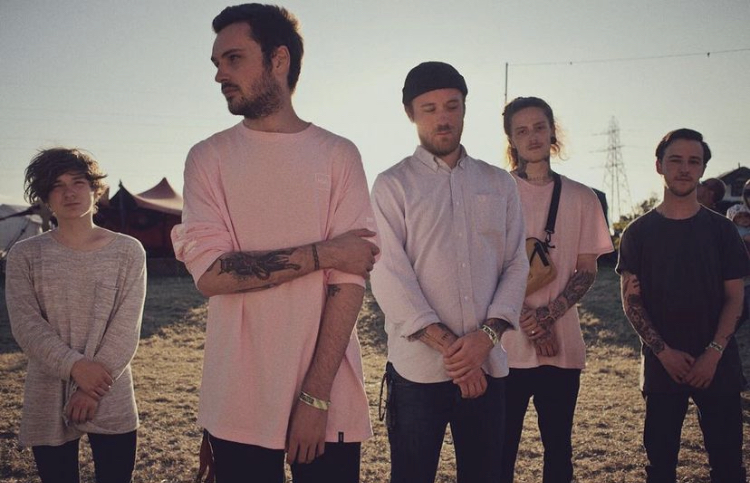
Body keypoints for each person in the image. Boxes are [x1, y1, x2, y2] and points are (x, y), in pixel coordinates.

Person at [170, 4, 379, 483]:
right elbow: (213, 275)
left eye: (234, 58)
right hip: (237, 397)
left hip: (328, 391)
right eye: (216, 63)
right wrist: (325, 253)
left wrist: (316, 397)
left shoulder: (339, 154)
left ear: (278, 60)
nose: (219, 74)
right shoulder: (207, 157)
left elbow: (348, 284)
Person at [370, 61, 529, 483]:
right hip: (417, 373)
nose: (443, 117)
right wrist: (457, 354)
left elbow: (516, 263)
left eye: (452, 106)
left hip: (488, 366)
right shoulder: (392, 185)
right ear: (410, 113)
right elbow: (389, 275)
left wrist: (486, 339)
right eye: (429, 108)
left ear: (464, 109)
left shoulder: (499, 183)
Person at [6, 148, 146, 483]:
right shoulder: (25, 254)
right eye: (57, 185)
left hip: (109, 388)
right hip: (48, 388)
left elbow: (127, 326)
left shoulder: (128, 250)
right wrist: (76, 367)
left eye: (78, 182)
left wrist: (90, 388)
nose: (69, 192)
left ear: (95, 189)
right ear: (44, 198)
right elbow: (26, 325)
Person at [617, 128, 748, 483]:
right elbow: (631, 301)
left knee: (729, 469)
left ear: (703, 169)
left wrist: (713, 353)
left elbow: (736, 297)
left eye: (694, 161)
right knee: (660, 470)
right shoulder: (637, 233)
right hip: (663, 367)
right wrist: (663, 352)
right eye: (675, 160)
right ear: (659, 165)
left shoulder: (722, 231)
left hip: (718, 365)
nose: (685, 169)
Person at [498, 97, 613, 483]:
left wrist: (546, 317)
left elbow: (586, 270)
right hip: (506, 347)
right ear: (511, 139)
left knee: (559, 451)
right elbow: (485, 270)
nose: (532, 136)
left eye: (539, 127)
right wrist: (530, 323)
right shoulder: (495, 193)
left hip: (561, 347)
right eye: (522, 130)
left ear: (552, 132)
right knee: (500, 451)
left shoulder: (582, 197)